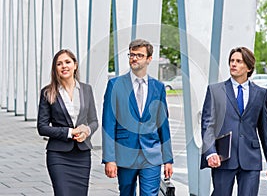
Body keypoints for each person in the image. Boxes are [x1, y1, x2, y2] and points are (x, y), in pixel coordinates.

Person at [200, 47, 267, 196]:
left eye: (239, 61)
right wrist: (210, 152)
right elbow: (207, 125)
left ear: (248, 67)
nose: (233, 64)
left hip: (251, 158)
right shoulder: (215, 90)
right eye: (232, 61)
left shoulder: (260, 93)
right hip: (223, 157)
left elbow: (264, 128)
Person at [102, 39, 173, 196]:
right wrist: (109, 159)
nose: (134, 58)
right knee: (126, 193)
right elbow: (109, 123)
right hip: (125, 152)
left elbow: (163, 124)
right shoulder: (115, 85)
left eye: (139, 55)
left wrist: (168, 159)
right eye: (132, 54)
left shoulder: (158, 87)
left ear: (149, 59)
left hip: (152, 155)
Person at [37, 49, 98, 196]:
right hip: (58, 154)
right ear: (55, 68)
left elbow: (94, 121)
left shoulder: (86, 89)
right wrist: (70, 132)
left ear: (75, 65)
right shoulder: (48, 92)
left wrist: (86, 131)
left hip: (82, 155)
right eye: (59, 64)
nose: (64, 66)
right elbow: (42, 127)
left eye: (67, 62)